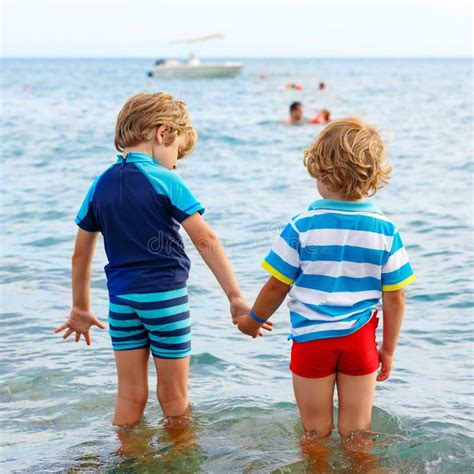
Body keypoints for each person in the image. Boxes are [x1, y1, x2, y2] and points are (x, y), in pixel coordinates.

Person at [54, 92, 269, 427]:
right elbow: (205, 239)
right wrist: (235, 297)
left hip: (121, 302)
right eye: (177, 152)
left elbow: (80, 254)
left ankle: (126, 457)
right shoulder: (165, 179)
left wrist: (80, 307)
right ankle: (180, 459)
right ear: (162, 132)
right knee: (173, 395)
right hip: (164, 299)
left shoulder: (100, 184)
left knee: (129, 393)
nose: (175, 163)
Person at [237, 117, 415, 464]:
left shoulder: (302, 226)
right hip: (360, 341)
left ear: (319, 168)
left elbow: (277, 285)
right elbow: (395, 297)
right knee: (357, 434)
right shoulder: (385, 229)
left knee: (315, 434)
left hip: (312, 342)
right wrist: (388, 349)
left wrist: (252, 320)